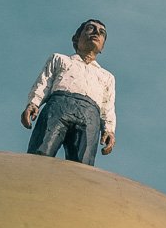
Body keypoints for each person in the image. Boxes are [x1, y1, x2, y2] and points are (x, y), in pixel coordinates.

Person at [22, 19, 116, 164]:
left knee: (83, 164)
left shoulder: (107, 76)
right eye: (90, 28)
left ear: (102, 46)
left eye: (101, 32)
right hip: (58, 108)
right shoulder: (60, 60)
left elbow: (108, 106)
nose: (96, 32)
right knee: (41, 153)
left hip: (90, 116)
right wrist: (33, 104)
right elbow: (44, 83)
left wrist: (109, 130)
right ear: (76, 37)